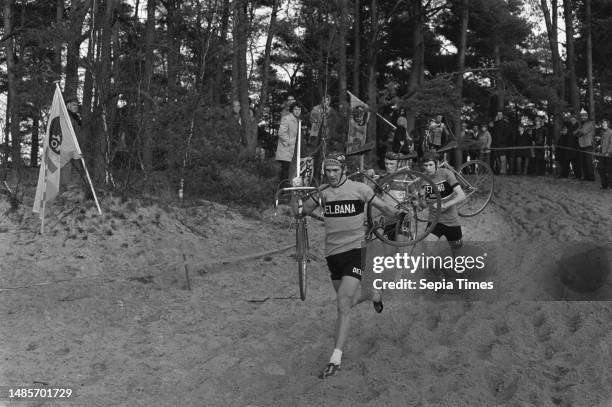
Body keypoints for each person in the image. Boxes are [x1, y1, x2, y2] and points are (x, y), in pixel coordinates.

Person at [291, 152, 407, 379]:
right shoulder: (322, 192)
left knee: (342, 301)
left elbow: (384, 208)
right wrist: (296, 192)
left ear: (344, 170)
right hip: (332, 254)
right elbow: (299, 212)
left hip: (356, 250)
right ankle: (373, 294)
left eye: (335, 170)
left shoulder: (360, 189)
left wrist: (399, 213)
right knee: (349, 302)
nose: (332, 175)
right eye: (328, 171)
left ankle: (335, 358)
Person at [420, 150, 466, 251]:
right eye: (425, 165)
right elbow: (423, 205)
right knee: (426, 246)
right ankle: (436, 267)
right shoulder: (423, 180)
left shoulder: (446, 174)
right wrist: (419, 199)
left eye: (430, 165)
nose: (428, 168)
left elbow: (462, 195)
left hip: (451, 221)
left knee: (458, 258)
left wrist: (445, 205)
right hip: (434, 221)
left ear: (436, 164)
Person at [276, 103, 301, 187]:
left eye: (299, 110)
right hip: (286, 150)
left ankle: (287, 191)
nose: (297, 111)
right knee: (285, 172)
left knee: (291, 172)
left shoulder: (298, 120)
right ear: (292, 110)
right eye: (296, 109)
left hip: (293, 151)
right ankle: (282, 191)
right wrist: (289, 143)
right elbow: (282, 133)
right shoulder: (286, 118)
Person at [576, 110, 596, 181]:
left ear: (587, 116)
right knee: (583, 162)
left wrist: (578, 131)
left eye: (584, 116)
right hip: (581, 145)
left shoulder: (589, 124)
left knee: (588, 162)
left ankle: (591, 177)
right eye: (582, 116)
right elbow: (575, 133)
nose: (583, 117)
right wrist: (578, 131)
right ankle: (586, 176)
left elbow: (583, 132)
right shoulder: (582, 124)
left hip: (588, 145)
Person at [598, 118, 612, 189]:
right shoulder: (602, 132)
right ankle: (604, 185)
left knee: (609, 170)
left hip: (608, 154)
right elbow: (602, 144)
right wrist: (600, 150)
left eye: (605, 123)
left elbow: (611, 144)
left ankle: (610, 185)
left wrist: (608, 152)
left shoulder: (610, 132)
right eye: (602, 123)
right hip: (602, 154)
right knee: (600, 169)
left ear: (608, 124)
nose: (603, 124)